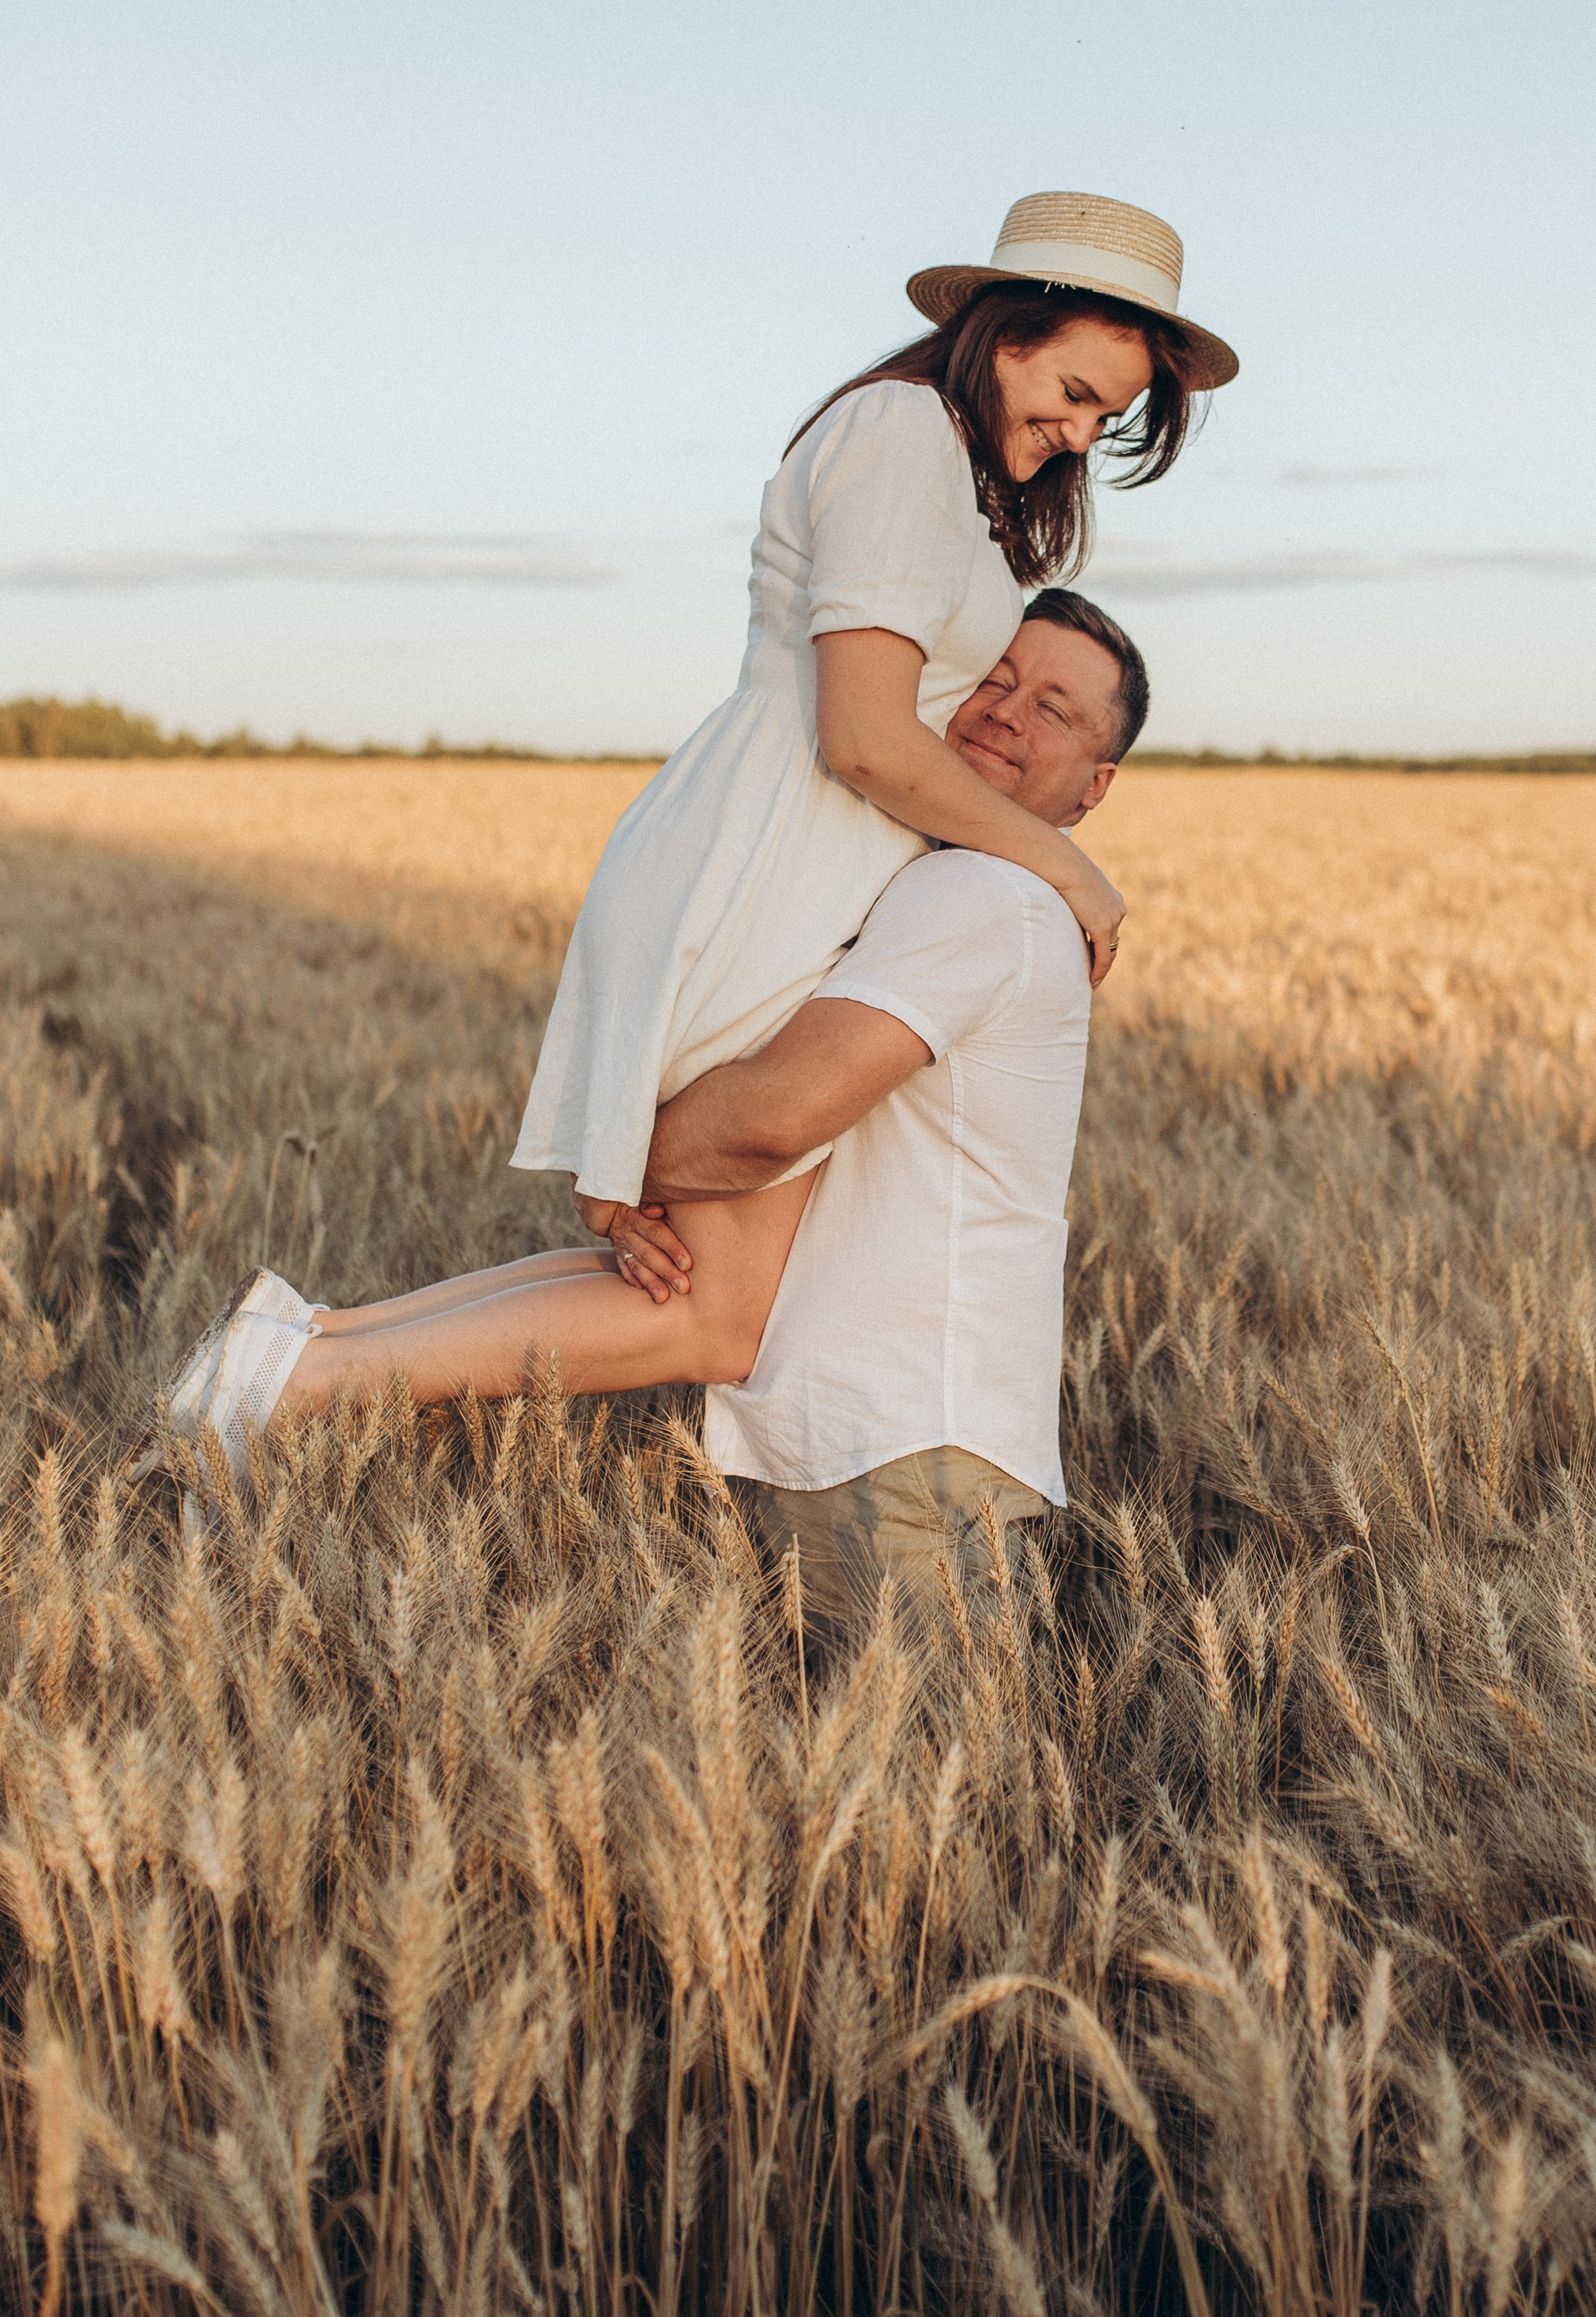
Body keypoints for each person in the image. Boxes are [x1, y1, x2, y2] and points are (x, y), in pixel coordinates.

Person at [160, 595, 1150, 1641]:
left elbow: (768, 1122)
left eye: (1054, 709)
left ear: (1095, 786)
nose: (1006, 712)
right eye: (996, 679)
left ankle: (300, 1358)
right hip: (876, 1442)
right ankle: (300, 1358)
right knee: (916, 1782)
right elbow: (769, 1128)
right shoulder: (944, 881)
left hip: (906, 1448)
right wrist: (640, 1165)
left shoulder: (983, 897)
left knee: (912, 1778)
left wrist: (625, 1159)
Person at [511, 188, 1235, 1354]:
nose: (1085, 437)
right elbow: (863, 736)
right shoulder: (903, 437)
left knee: (692, 1291)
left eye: (1115, 419)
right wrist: (1071, 871)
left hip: (803, 859)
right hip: (770, 857)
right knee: (705, 1307)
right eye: (1077, 396)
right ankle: (287, 1380)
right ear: (1004, 337)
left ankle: (289, 1365)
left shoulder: (945, 465)